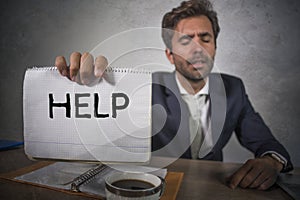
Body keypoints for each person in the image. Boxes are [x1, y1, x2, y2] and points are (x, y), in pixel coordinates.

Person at [55, 0, 293, 190]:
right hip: (158, 188)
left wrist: (271, 161)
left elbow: (265, 142)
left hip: (217, 189)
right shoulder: (148, 86)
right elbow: (110, 131)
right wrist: (95, 87)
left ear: (215, 47)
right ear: (169, 55)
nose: (198, 48)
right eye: (186, 40)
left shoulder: (234, 88)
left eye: (206, 38)